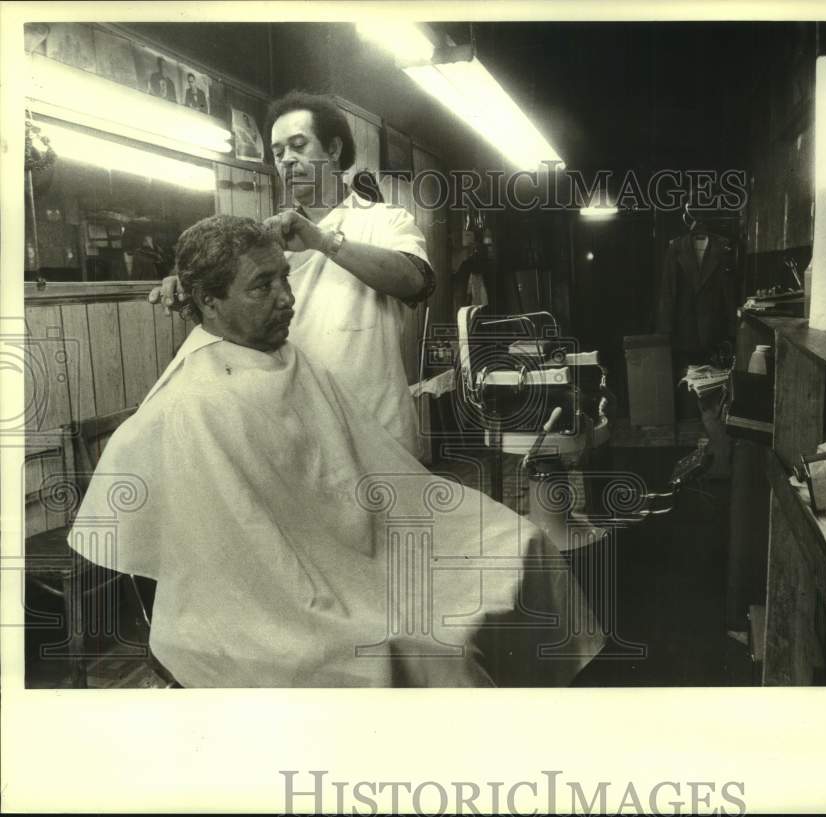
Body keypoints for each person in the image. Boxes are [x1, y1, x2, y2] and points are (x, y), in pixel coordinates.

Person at [72, 215, 602, 687]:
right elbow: (246, 553)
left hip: (363, 547)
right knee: (427, 648)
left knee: (519, 539)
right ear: (209, 301)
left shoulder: (287, 359)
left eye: (285, 276)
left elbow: (351, 482)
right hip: (279, 600)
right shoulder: (191, 405)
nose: (288, 298)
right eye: (263, 285)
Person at [151, 91, 435, 456]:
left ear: (333, 150)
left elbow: (417, 281)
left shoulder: (385, 220)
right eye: (279, 151)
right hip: (300, 430)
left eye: (298, 146)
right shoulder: (265, 238)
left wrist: (321, 240)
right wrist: (189, 287)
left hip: (378, 427)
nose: (287, 160)